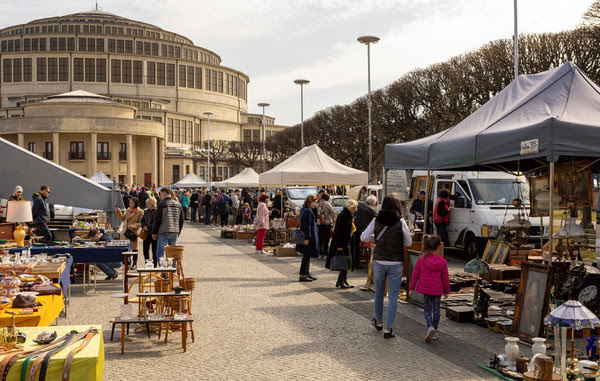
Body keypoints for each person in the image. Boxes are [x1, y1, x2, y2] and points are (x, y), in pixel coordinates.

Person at [361, 196, 412, 339]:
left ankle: (378, 322)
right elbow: (408, 242)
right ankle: (388, 329)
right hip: (395, 262)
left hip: (379, 261)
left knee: (378, 293)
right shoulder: (401, 222)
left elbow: (363, 237)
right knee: (393, 296)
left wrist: (375, 237)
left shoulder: (376, 220)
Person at [409, 235, 449, 342]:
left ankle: (430, 327)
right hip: (437, 290)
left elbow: (415, 275)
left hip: (426, 290)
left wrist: (411, 289)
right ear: (438, 248)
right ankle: (434, 331)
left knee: (427, 310)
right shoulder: (442, 262)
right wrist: (447, 291)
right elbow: (445, 278)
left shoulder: (421, 260)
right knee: (436, 311)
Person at [327, 199, 358, 289]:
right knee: (345, 261)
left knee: (347, 261)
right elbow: (339, 232)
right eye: (355, 208)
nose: (356, 210)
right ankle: (340, 281)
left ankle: (343, 280)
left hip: (345, 242)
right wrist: (339, 246)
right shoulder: (344, 216)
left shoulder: (347, 215)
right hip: (341, 243)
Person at [152, 187, 184, 262]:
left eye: (161, 195)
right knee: (173, 254)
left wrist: (154, 232)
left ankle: (164, 272)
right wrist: (179, 231)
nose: (160, 197)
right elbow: (181, 219)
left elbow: (157, 220)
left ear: (164, 194)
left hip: (164, 230)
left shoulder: (162, 204)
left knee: (160, 253)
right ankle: (172, 271)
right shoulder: (178, 204)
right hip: (174, 231)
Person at [297, 194, 319, 282]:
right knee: (306, 255)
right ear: (310, 202)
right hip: (308, 236)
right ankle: (302, 275)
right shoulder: (307, 211)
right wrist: (307, 238)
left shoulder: (305, 209)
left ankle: (306, 273)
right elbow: (307, 226)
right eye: (315, 202)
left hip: (308, 236)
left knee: (308, 255)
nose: (316, 204)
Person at [116, 197, 143, 269]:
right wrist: (119, 212)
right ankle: (128, 262)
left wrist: (133, 226)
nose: (130, 204)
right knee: (126, 248)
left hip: (133, 232)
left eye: (131, 203)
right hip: (126, 232)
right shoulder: (127, 210)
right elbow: (122, 218)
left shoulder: (140, 212)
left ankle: (134, 263)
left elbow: (141, 223)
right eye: (130, 202)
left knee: (134, 248)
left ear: (135, 203)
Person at [352, 195, 378, 269]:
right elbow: (377, 219)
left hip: (353, 227)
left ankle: (353, 262)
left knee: (354, 246)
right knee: (356, 246)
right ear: (372, 203)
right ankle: (356, 263)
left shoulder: (358, 203)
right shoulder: (371, 209)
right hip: (361, 229)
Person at [316, 194, 336, 260]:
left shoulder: (318, 204)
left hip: (319, 223)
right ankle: (325, 254)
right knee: (326, 239)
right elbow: (333, 213)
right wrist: (333, 218)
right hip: (327, 223)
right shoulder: (327, 204)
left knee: (320, 238)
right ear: (327, 198)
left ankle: (320, 253)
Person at [141, 197, 158, 267]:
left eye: (148, 204)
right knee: (145, 249)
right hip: (146, 233)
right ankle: (147, 263)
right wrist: (143, 226)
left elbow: (156, 222)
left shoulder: (157, 211)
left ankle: (154, 264)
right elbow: (142, 220)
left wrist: (148, 227)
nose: (146, 205)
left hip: (154, 232)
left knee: (154, 250)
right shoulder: (146, 211)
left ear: (152, 204)